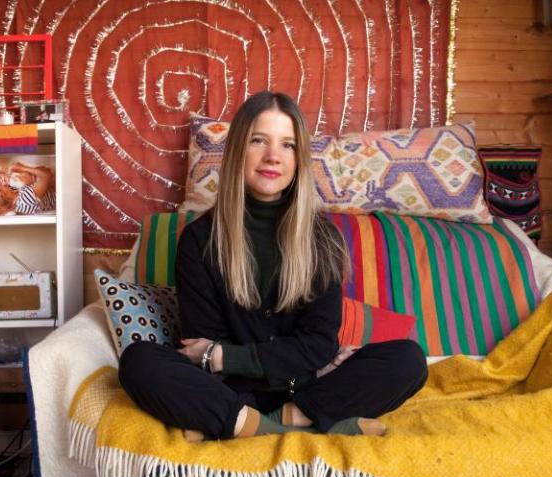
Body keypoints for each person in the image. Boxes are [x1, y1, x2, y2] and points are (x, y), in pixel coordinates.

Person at [118, 92, 428, 441]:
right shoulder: (200, 239)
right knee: (139, 362)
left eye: (288, 145)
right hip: (231, 390)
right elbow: (203, 344)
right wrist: (234, 358)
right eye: (259, 140)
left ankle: (257, 424)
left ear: (299, 160)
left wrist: (226, 356)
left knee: (408, 360)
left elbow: (318, 344)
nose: (273, 157)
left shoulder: (321, 238)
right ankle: (305, 424)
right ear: (238, 149)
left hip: (304, 390)